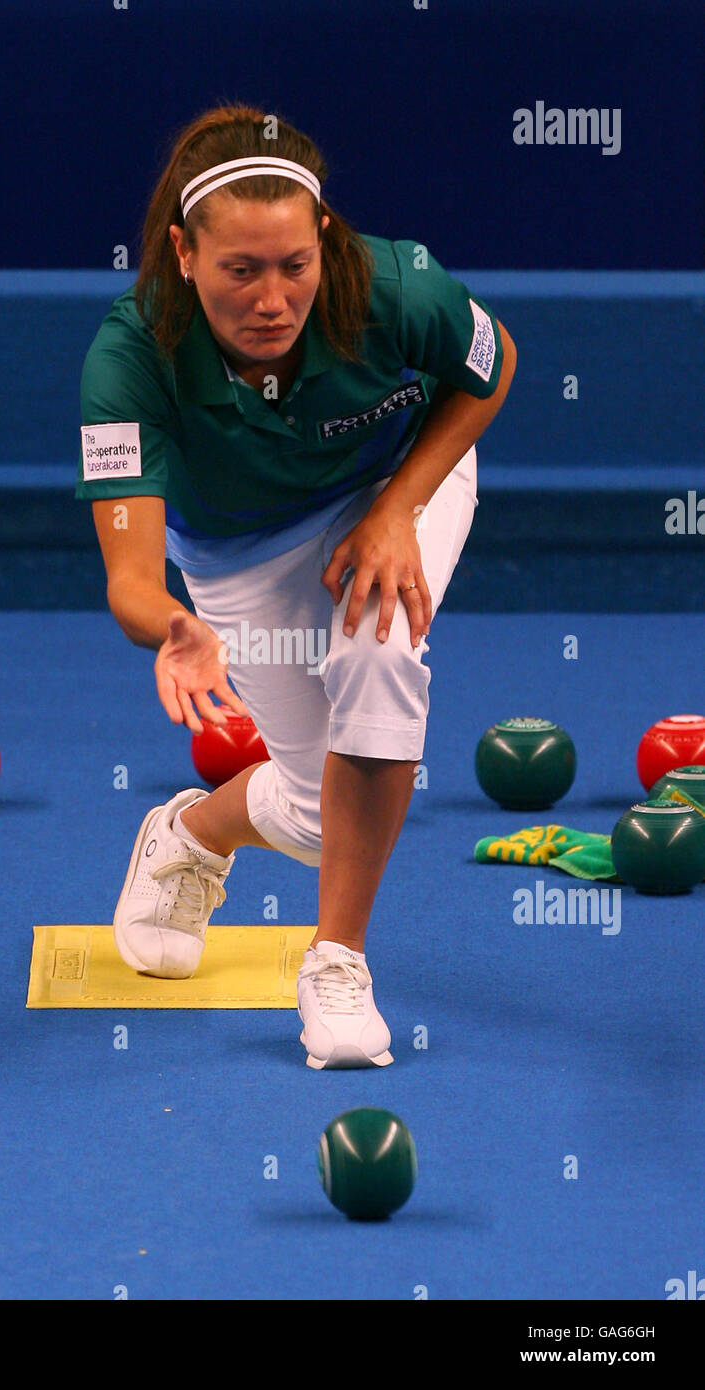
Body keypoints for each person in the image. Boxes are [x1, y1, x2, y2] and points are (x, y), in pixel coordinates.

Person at [76, 104, 516, 1069]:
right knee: (323, 817)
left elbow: (490, 367)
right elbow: (130, 579)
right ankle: (191, 834)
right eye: (241, 270)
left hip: (391, 484)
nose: (273, 299)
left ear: (323, 239)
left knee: (379, 647)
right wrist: (173, 630)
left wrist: (399, 508)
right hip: (239, 551)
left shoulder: (394, 284)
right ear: (185, 255)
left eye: (293, 265)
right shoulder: (130, 358)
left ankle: (337, 964)